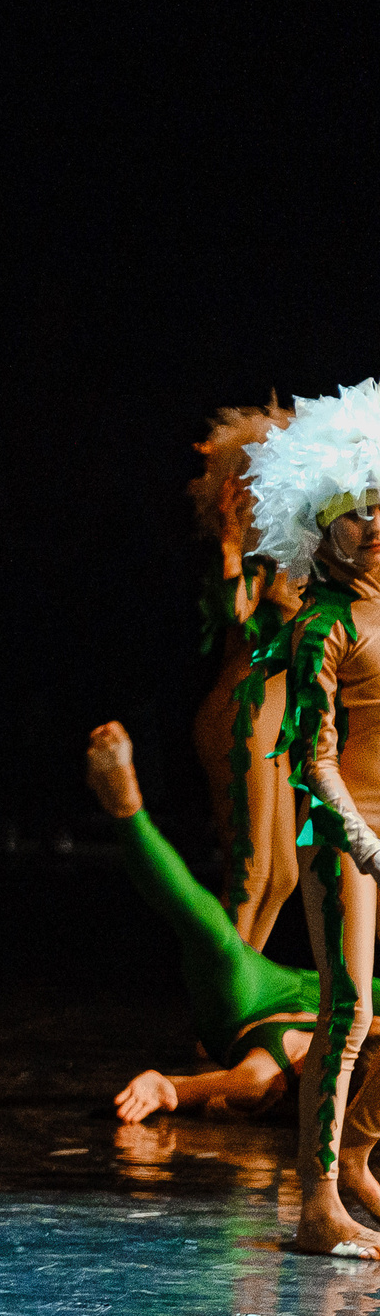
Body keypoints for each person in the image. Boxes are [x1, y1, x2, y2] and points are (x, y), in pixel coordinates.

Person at [239, 380, 380, 1255]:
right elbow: (311, 753)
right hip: (344, 832)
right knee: (352, 1006)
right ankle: (316, 1199)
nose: (374, 524)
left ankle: (361, 1152)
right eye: (359, 512)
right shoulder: (322, 622)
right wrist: (363, 840)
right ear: (325, 528)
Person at [86, 722, 318, 1123]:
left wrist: (164, 1087)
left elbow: (174, 1088)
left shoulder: (261, 1075)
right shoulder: (364, 1039)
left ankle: (128, 812)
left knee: (217, 941)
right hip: (325, 994)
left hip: (248, 1005)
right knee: (280, 876)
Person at [191, 400, 302, 945]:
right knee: (252, 868)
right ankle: (216, 1015)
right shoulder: (259, 560)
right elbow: (234, 611)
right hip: (244, 714)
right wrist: (230, 542)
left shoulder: (300, 557)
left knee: (282, 875)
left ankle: (234, 993)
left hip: (271, 725)